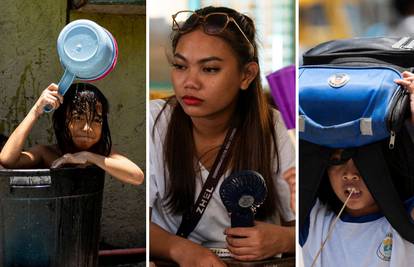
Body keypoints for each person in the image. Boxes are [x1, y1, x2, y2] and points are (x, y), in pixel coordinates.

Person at [150, 6, 295, 266]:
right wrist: (183, 251)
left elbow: (309, 228)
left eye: (210, 69)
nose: (189, 82)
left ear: (246, 75)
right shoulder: (155, 121)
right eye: (180, 66)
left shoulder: (276, 128)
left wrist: (285, 239)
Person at [299, 73, 414, 266]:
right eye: (337, 160)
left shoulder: (404, 223)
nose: (350, 174)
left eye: (362, 163)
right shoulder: (315, 221)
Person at [0, 82, 144, 186]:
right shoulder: (47, 153)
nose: (87, 128)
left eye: (96, 120)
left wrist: (88, 157)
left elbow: (136, 176)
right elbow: (7, 160)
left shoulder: (101, 153)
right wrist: (36, 110)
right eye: (78, 118)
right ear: (63, 122)